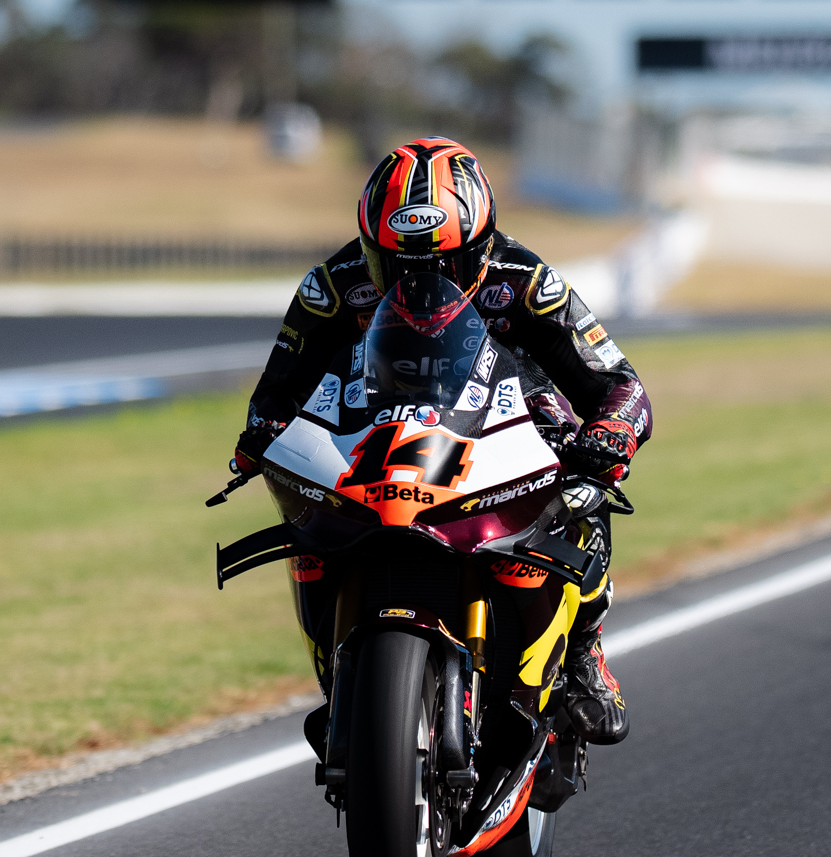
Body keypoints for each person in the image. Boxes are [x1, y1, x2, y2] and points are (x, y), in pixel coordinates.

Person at [228, 137, 654, 759]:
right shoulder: (333, 286)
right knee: (303, 514)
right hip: (375, 425)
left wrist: (606, 435)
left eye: (443, 266)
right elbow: (278, 385)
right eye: (397, 266)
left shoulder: (526, 282)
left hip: (505, 412)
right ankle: (341, 661)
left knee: (586, 485)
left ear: (480, 246)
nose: (420, 283)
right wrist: (260, 438)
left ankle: (584, 646)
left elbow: (619, 383)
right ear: (372, 249)